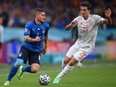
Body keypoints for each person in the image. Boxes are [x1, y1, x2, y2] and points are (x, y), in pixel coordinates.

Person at [53, 1, 112, 84]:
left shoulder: (95, 18)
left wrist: (108, 17)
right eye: (81, 10)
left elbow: (108, 22)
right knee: (65, 61)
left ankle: (58, 78)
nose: (82, 12)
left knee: (72, 61)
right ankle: (64, 72)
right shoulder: (78, 18)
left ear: (89, 11)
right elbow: (67, 28)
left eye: (84, 10)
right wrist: (70, 26)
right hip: (78, 44)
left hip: (87, 47)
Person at [4, 8, 49, 85]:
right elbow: (25, 37)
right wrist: (34, 39)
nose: (44, 17)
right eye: (43, 15)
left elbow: (46, 35)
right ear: (37, 16)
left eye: (45, 15)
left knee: (35, 70)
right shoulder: (29, 25)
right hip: (26, 48)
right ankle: (8, 81)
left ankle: (23, 69)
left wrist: (46, 46)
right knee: (18, 63)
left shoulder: (46, 26)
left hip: (37, 51)